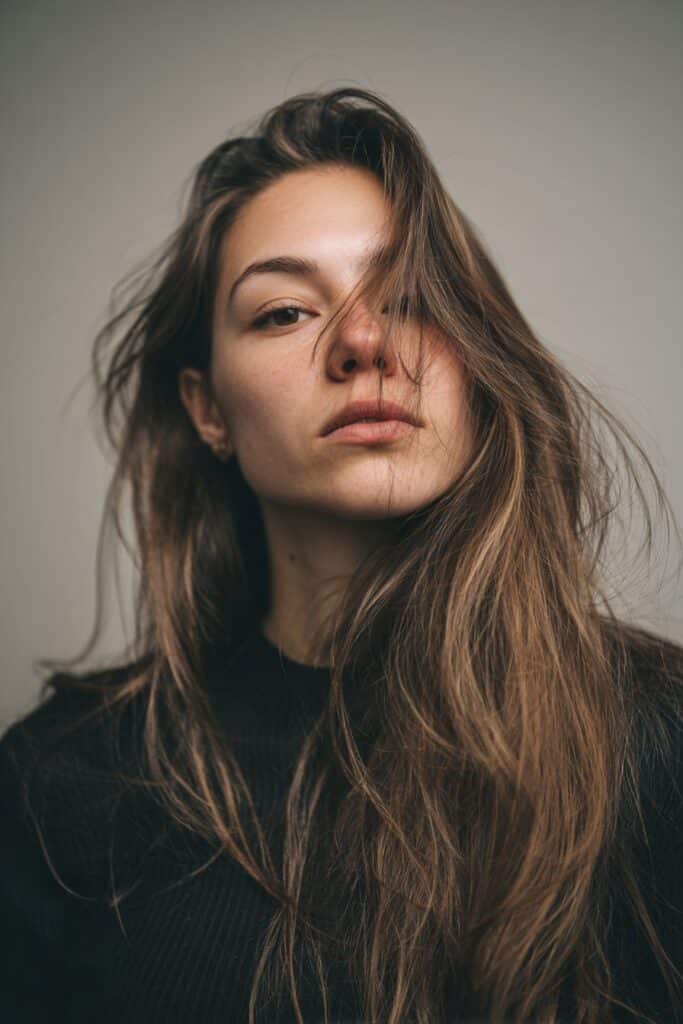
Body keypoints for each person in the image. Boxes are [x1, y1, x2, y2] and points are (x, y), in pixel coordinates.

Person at [1, 86, 681, 1024]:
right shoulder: (61, 779)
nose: (363, 342)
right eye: (283, 312)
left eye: (409, 299)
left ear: (478, 362)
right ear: (206, 410)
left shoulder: (659, 741)